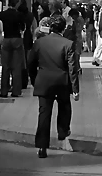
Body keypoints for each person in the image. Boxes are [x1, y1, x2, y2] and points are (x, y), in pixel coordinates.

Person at [27, 16, 80, 159]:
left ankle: (42, 146)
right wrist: (75, 89)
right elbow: (72, 68)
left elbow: (30, 63)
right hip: (62, 82)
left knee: (44, 113)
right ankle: (62, 131)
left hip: (43, 81)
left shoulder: (39, 43)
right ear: (63, 28)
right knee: (65, 106)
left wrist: (34, 79)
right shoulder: (68, 44)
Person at [0, 0, 26, 98]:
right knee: (16, 66)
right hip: (17, 39)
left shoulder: (2, 14)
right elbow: (23, 28)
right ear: (17, 3)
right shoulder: (19, 15)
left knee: (5, 66)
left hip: (6, 39)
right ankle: (16, 91)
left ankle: (4, 91)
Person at [19, 0, 37, 90]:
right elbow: (35, 28)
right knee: (27, 61)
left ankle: (19, 82)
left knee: (18, 62)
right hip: (28, 39)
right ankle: (26, 81)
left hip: (18, 40)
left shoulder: (17, 14)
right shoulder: (30, 15)